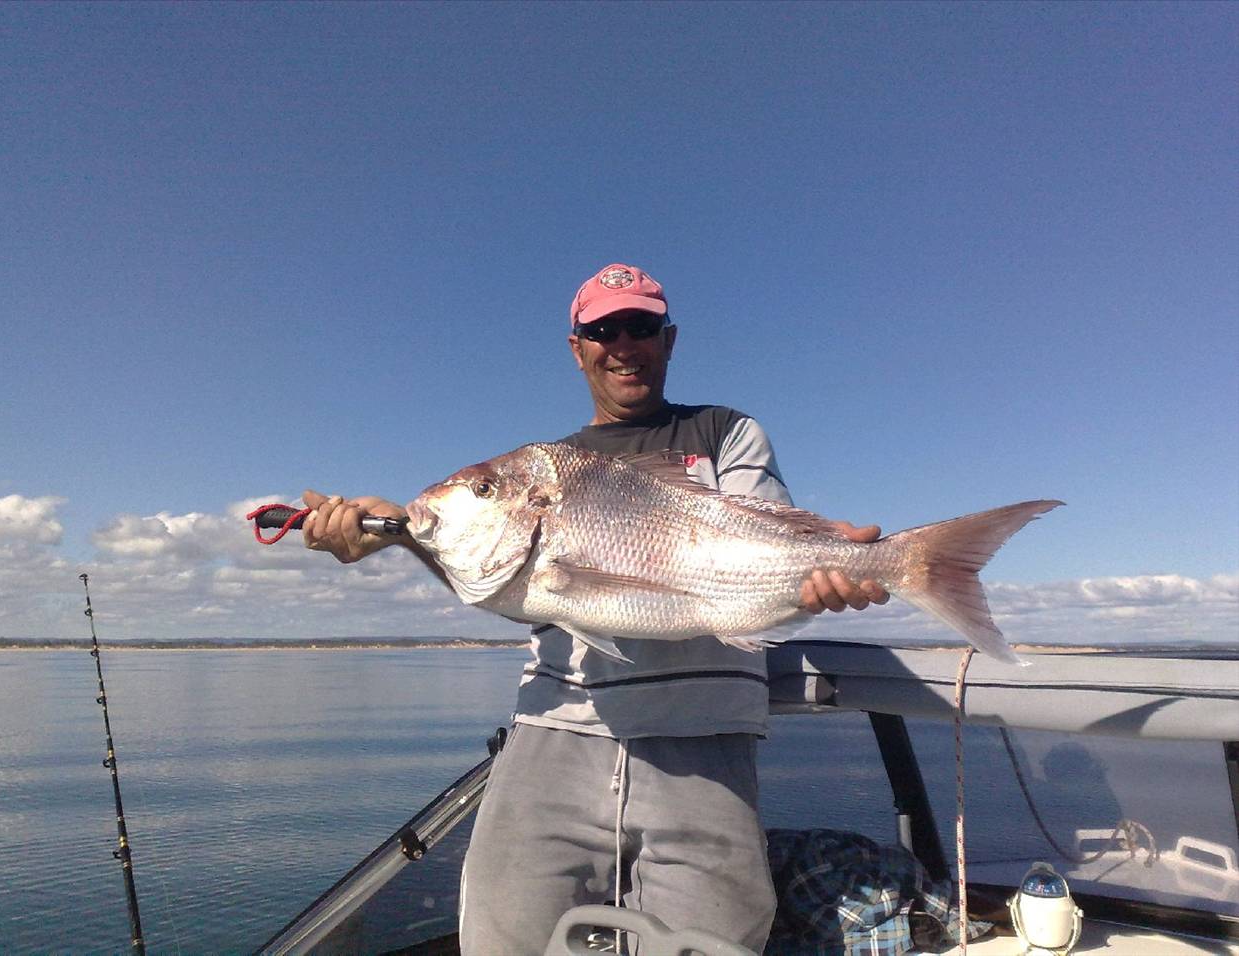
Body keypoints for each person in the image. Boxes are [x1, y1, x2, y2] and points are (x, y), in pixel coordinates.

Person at [302, 263, 888, 954]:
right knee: (502, 939)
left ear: (667, 341)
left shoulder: (724, 433)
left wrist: (829, 571)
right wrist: (401, 534)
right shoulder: (551, 462)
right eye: (602, 329)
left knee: (709, 943)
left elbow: (766, 549)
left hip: (704, 743)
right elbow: (511, 585)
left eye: (639, 326)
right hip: (554, 737)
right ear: (576, 347)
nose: (622, 343)